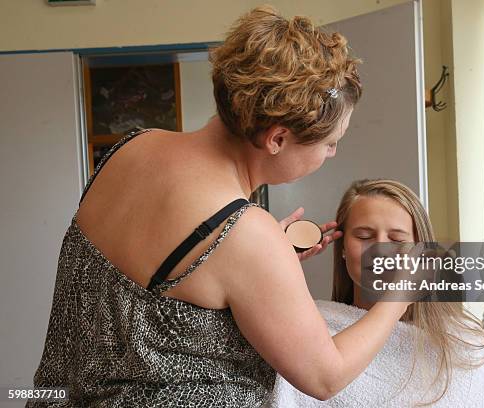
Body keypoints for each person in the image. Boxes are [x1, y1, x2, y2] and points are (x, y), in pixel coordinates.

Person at [28, 7, 414, 408]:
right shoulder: (243, 234)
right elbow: (325, 376)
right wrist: (397, 297)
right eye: (330, 142)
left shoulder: (132, 147)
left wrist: (259, 272)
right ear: (278, 139)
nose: (331, 153)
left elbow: (145, 295)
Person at [266, 179, 484, 407]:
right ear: (342, 248)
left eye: (397, 240)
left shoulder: (468, 346)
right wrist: (266, 258)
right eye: (364, 236)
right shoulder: (306, 332)